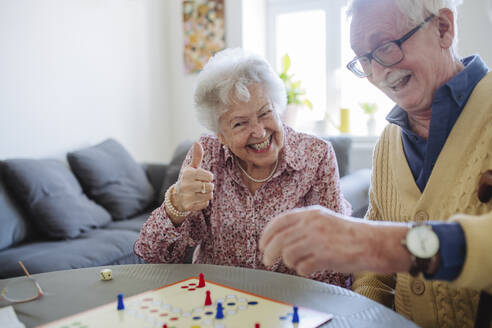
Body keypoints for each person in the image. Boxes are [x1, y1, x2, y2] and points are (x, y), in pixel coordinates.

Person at [259, 0, 492, 327]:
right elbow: (375, 274)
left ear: (443, 29)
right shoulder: (388, 144)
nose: (378, 72)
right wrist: (364, 317)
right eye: (364, 59)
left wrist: (376, 243)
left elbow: (376, 243)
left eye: (385, 46)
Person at [134, 48, 352, 288]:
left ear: (278, 108)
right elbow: (153, 256)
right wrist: (176, 206)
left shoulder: (315, 155)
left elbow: (335, 261)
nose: (259, 131)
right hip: (216, 302)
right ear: (221, 136)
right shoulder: (207, 156)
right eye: (240, 123)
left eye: (265, 113)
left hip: (290, 305)